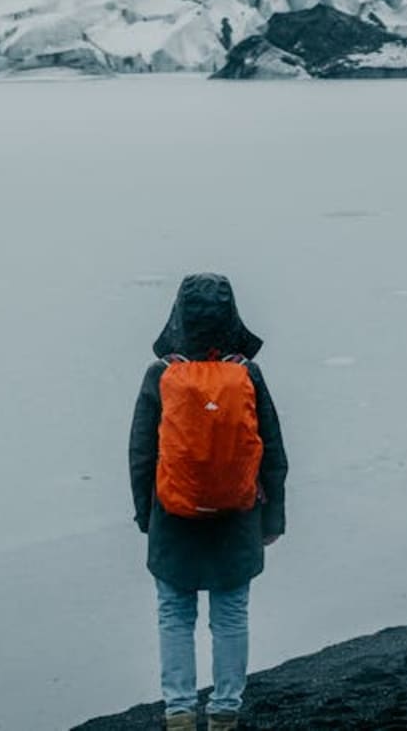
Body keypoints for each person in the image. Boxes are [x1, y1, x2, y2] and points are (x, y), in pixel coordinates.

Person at [129, 274, 289, 731]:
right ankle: (225, 711)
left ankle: (179, 712)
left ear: (178, 316)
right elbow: (273, 451)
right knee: (231, 614)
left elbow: (141, 453)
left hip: (173, 518)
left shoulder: (160, 375)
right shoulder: (247, 373)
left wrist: (147, 516)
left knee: (175, 615)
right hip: (237, 517)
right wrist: (272, 518)